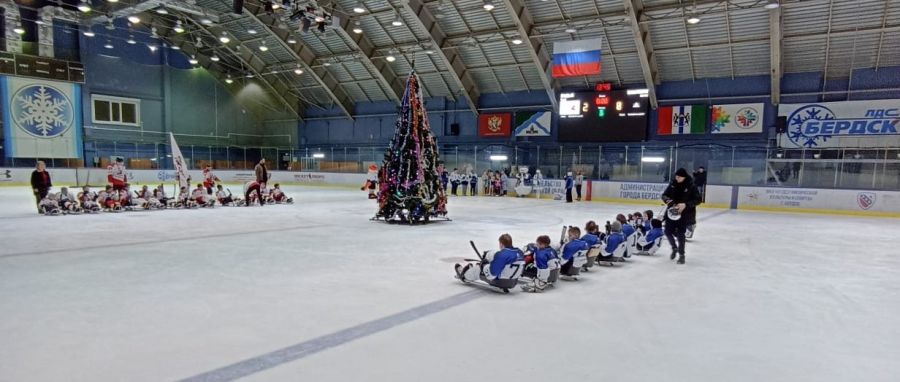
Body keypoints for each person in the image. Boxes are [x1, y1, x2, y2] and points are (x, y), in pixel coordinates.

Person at [662, 168, 701, 264]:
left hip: (685, 215)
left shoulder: (691, 186)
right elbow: (664, 195)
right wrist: (668, 200)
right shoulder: (672, 184)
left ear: (684, 177)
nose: (677, 178)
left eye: (679, 177)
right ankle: (674, 248)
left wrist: (686, 205)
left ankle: (681, 255)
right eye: (676, 176)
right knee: (667, 231)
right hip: (671, 213)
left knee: (680, 235)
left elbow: (698, 200)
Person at [455, 233, 523, 283]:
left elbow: (492, 274)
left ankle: (465, 276)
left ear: (501, 244)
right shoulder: (520, 252)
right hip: (513, 281)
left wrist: (484, 266)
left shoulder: (502, 255)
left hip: (502, 281)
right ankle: (486, 255)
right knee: (495, 256)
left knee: (478, 269)